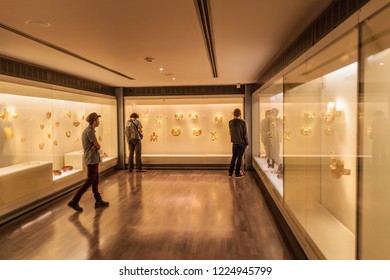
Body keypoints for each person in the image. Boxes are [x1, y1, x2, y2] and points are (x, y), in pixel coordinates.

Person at [68, 112, 109, 212]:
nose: (99, 121)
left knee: (95, 181)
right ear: (94, 121)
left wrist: (95, 147)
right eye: (97, 120)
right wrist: (96, 146)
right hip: (91, 159)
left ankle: (98, 201)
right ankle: (74, 200)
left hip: (93, 158)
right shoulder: (90, 131)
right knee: (90, 181)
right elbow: (98, 146)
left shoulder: (90, 130)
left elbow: (96, 146)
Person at [228, 108, 249, 178]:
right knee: (239, 158)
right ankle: (237, 173)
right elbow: (245, 134)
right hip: (242, 142)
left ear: (234, 114)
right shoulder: (243, 122)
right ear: (240, 114)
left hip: (234, 142)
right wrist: (247, 143)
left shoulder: (230, 122)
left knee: (234, 156)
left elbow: (231, 132)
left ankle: (230, 172)